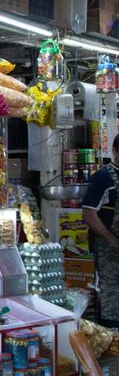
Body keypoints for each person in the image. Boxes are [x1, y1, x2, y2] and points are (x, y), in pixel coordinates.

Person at [82, 135, 119, 328]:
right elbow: (89, 213)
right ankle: (111, 341)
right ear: (114, 151)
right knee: (112, 297)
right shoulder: (104, 177)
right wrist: (111, 239)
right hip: (110, 250)